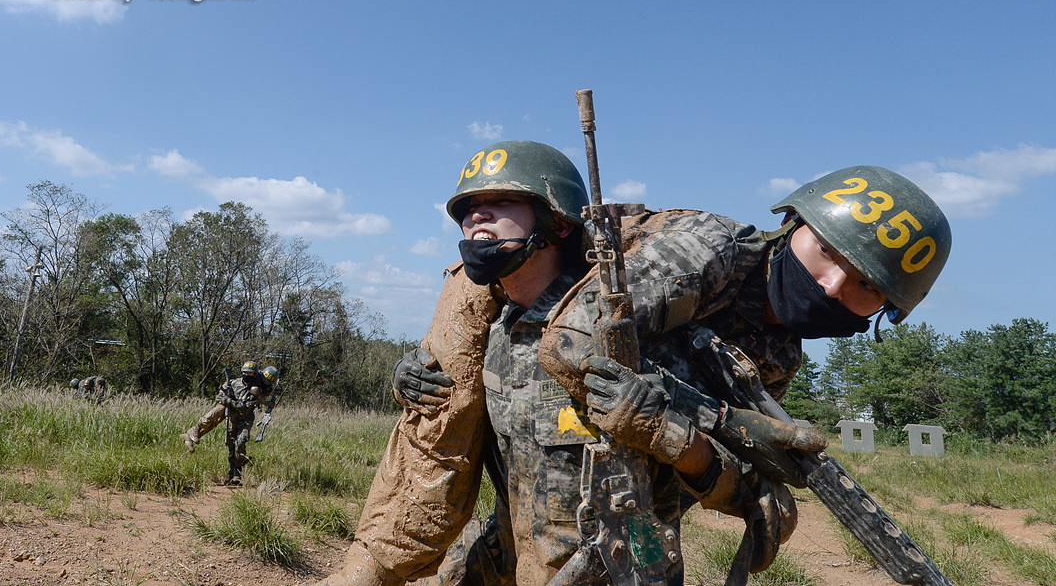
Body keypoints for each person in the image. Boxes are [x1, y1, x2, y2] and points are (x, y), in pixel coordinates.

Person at [327, 152, 951, 585]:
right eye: (828, 253)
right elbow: (575, 344)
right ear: (793, 224)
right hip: (541, 447)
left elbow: (736, 477)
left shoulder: (777, 351)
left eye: (866, 285)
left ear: (888, 311)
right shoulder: (713, 250)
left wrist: (686, 446)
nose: (833, 284)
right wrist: (706, 418)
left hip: (628, 523)